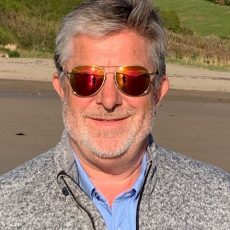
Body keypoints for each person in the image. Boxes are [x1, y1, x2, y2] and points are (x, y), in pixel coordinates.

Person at [1, 0, 230, 229]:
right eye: (87, 79)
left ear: (158, 91)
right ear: (61, 88)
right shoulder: (6, 207)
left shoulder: (220, 198)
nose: (109, 100)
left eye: (131, 80)